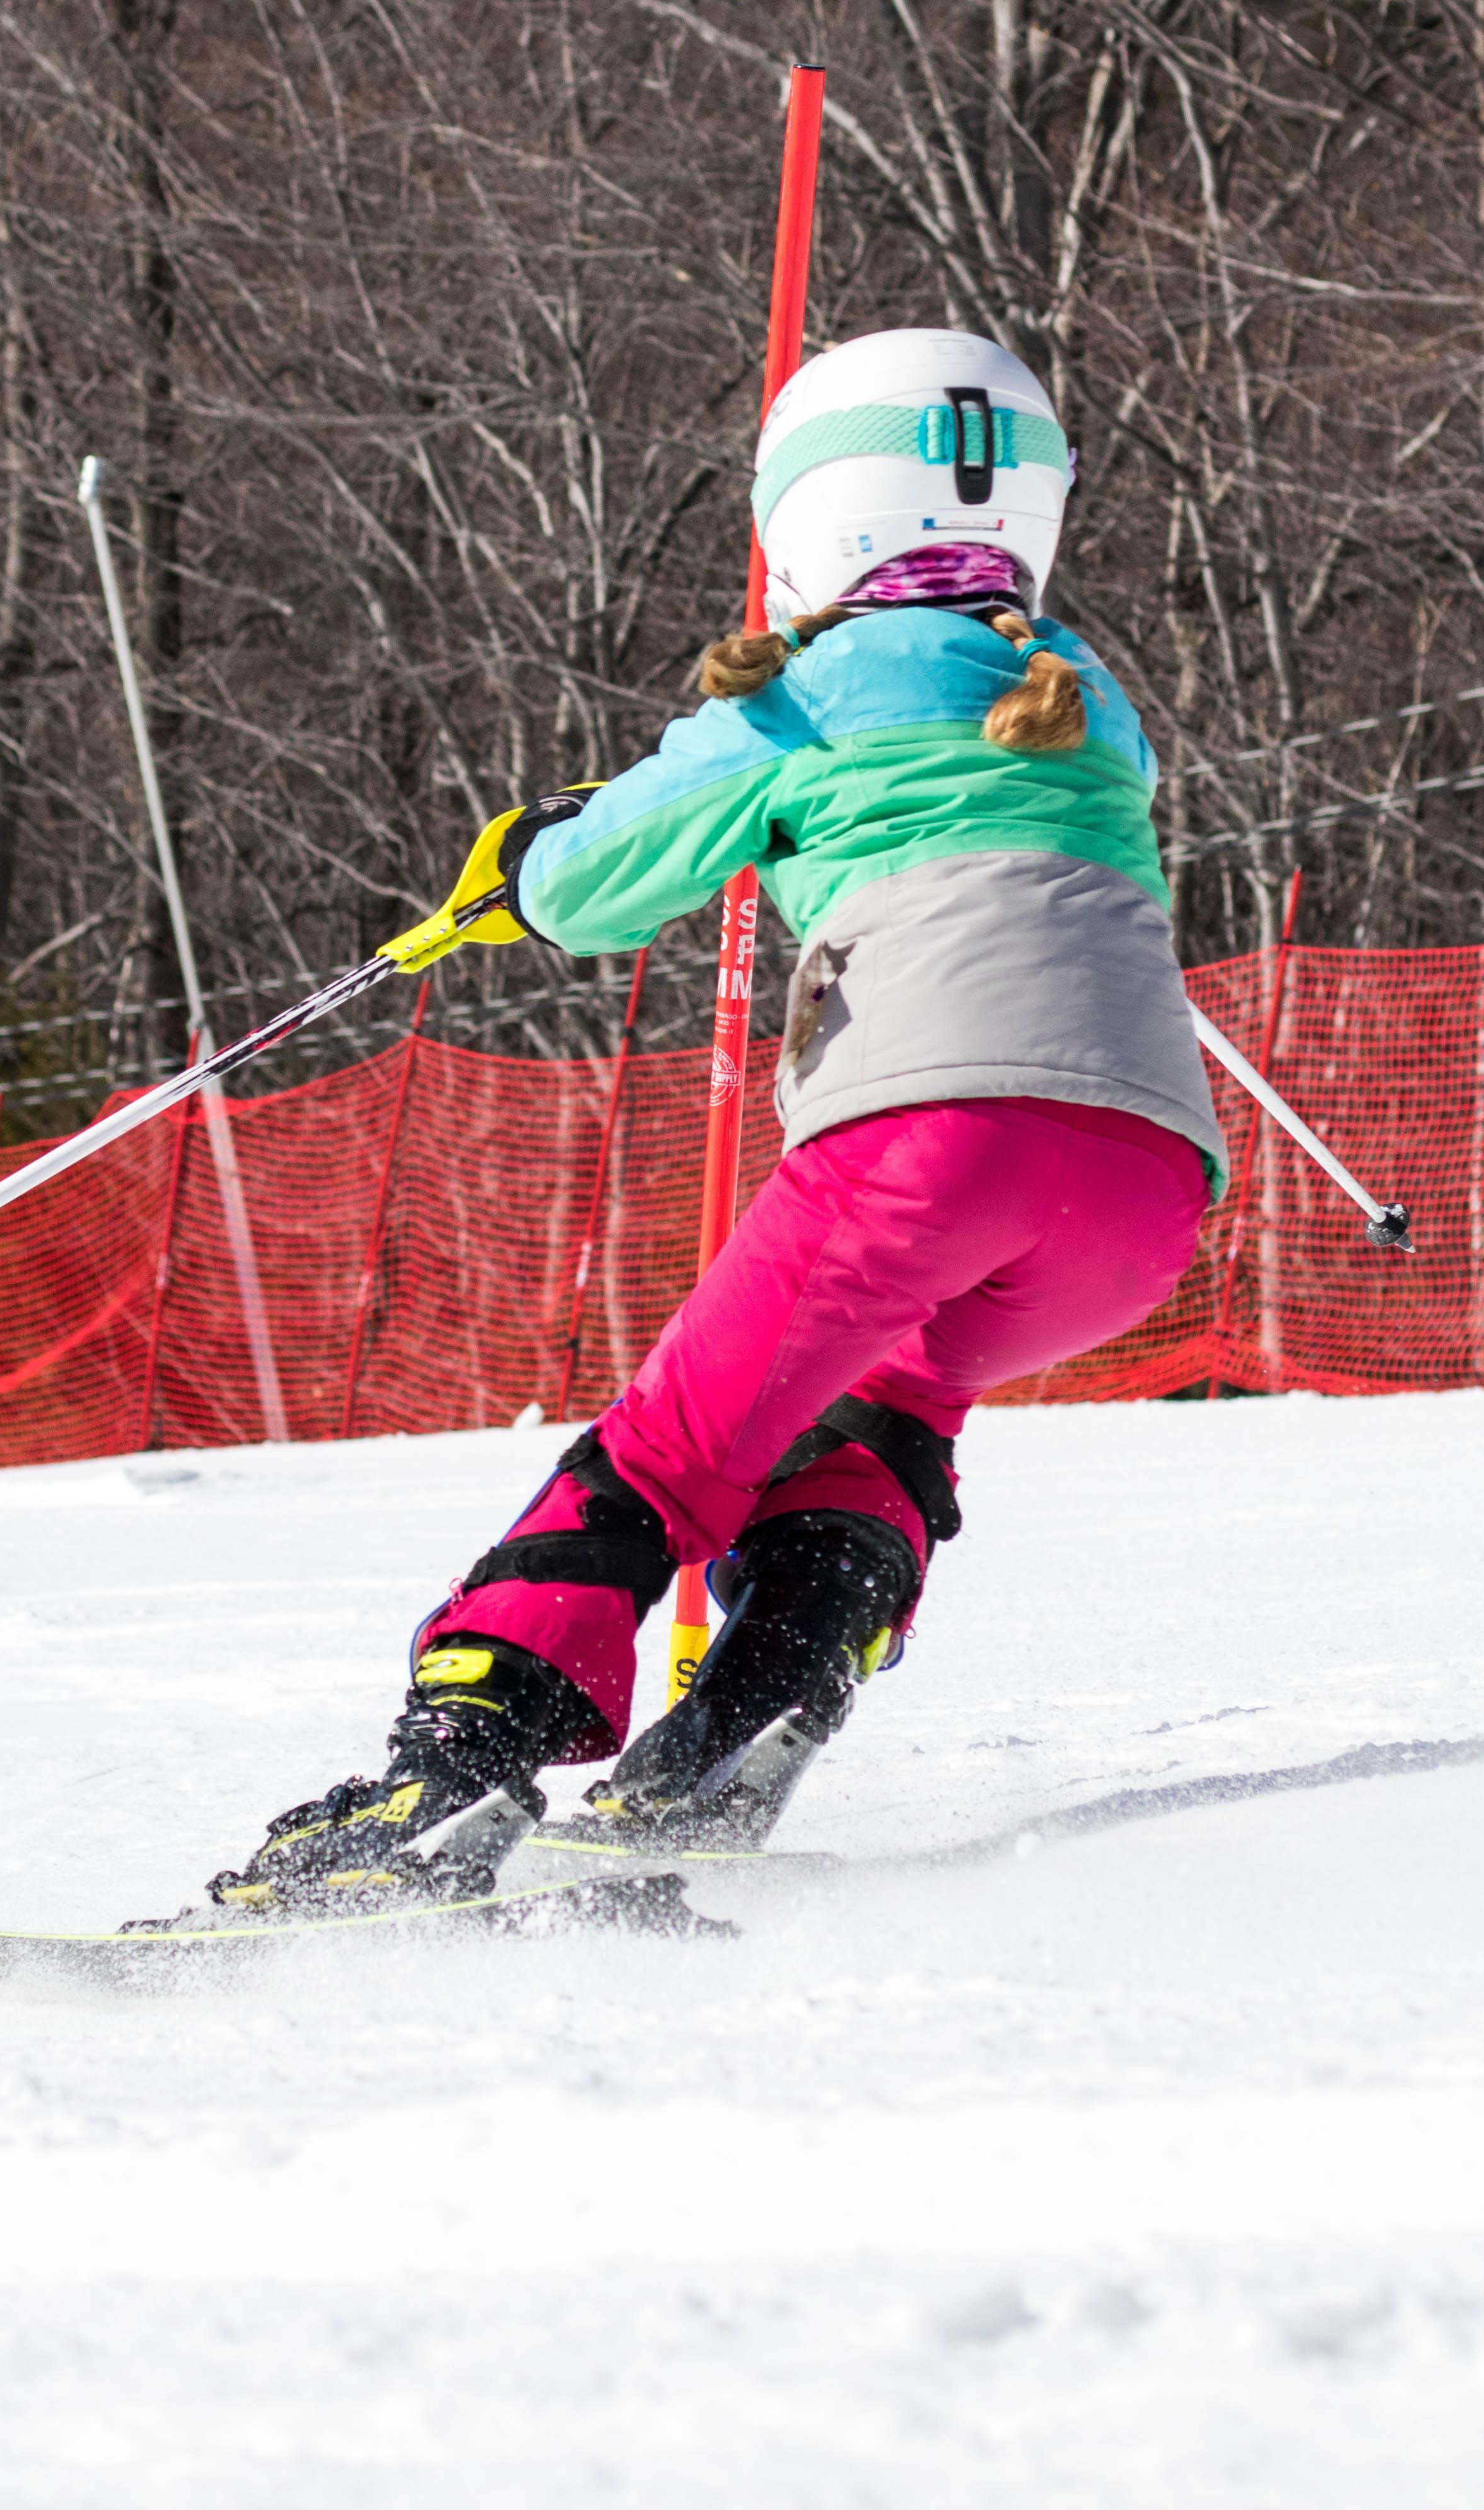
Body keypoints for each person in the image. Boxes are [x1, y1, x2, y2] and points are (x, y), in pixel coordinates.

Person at [206, 329, 1226, 1910]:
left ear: (811, 514)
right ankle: (747, 1719)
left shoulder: (808, 690)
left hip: (923, 1146)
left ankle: (455, 1772)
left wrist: (527, 862)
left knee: (673, 1450)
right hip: (1145, 1187)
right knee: (883, 1405)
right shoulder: (1082, 697)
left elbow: (601, 887)